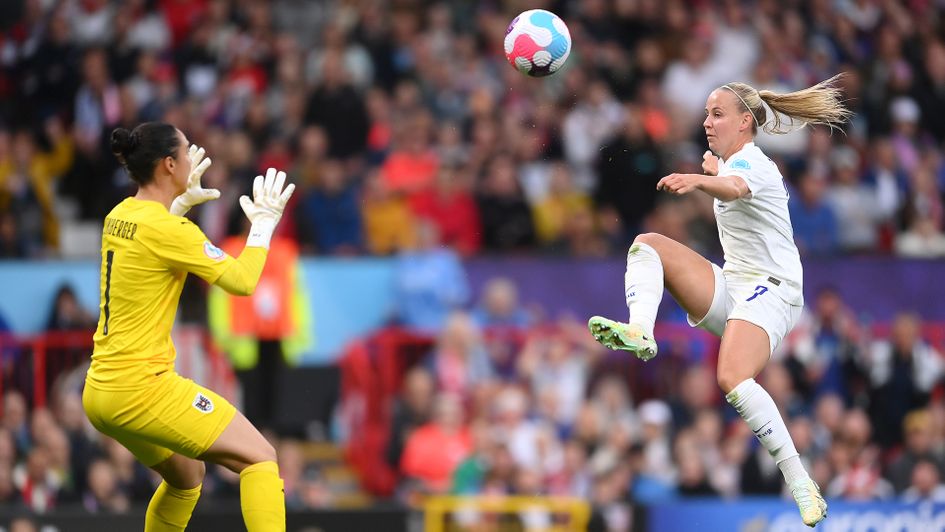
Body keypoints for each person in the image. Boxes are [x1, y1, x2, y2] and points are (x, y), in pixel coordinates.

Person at [588, 75, 851, 527]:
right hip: (736, 283)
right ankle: (641, 330)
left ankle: (801, 481)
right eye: (707, 113)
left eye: (717, 114)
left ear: (745, 122)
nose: (707, 122)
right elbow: (728, 184)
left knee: (731, 376)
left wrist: (699, 179)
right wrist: (712, 173)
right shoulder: (731, 163)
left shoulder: (756, 164)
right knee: (647, 244)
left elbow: (735, 189)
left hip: (775, 290)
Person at [82, 122, 295, 531]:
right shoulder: (169, 230)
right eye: (186, 150)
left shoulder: (119, 216)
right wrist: (264, 225)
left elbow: (149, 253)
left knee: (186, 478)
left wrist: (177, 205)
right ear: (169, 164)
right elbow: (242, 281)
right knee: (260, 458)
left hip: (101, 391)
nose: (193, 155)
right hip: (141, 388)